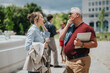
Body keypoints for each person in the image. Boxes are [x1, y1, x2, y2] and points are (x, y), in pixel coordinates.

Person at [59, 7, 98, 73]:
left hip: (79, 61)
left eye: (71, 14)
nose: (69, 15)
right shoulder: (70, 27)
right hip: (69, 61)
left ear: (77, 15)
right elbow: (61, 38)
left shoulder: (87, 28)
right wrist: (67, 25)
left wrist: (82, 44)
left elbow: (95, 44)